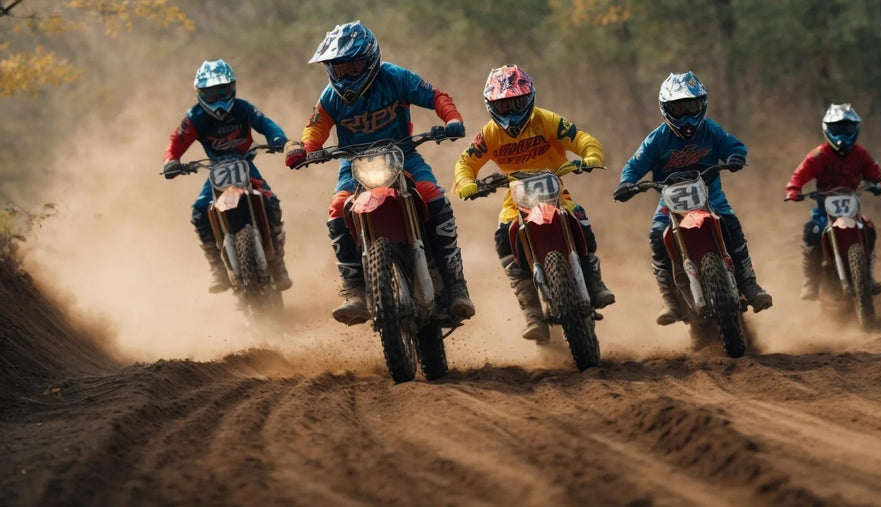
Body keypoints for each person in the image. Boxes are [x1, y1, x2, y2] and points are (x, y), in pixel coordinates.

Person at [284, 21, 474, 326]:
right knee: (337, 209)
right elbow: (315, 127)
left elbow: (436, 96)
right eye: (339, 68)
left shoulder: (395, 77)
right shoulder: (330, 96)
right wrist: (307, 149)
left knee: (433, 196)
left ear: (370, 59)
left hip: (404, 156)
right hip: (353, 164)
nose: (346, 74)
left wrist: (452, 120)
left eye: (352, 66)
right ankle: (354, 290)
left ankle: (456, 285)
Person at [453, 65, 615, 342]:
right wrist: (467, 183)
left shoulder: (546, 120)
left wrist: (590, 157)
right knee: (503, 240)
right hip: (515, 202)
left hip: (556, 194)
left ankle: (595, 281)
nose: (510, 111)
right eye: (503, 105)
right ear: (491, 106)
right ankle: (532, 313)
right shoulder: (489, 134)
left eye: (516, 102)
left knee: (580, 218)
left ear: (528, 98)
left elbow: (581, 139)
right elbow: (465, 161)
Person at [613, 71, 772, 327]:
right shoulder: (657, 139)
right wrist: (627, 183)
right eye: (679, 108)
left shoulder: (711, 129)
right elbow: (634, 165)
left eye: (691, 106)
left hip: (711, 196)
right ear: (666, 109)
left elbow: (734, 145)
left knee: (732, 225)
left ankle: (750, 285)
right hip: (670, 203)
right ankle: (671, 301)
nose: (686, 115)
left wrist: (735, 157)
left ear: (702, 104)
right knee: (657, 236)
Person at [163, 59, 292, 293]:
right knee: (200, 211)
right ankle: (217, 268)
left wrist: (277, 139)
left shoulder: (243, 108)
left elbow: (265, 123)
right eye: (210, 94)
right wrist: (171, 161)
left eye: (222, 91)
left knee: (270, 201)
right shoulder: (195, 116)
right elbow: (177, 140)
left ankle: (278, 264)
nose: (217, 99)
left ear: (232, 88)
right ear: (200, 94)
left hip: (245, 164)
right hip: (217, 170)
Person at [785, 103, 881, 300]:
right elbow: (799, 174)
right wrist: (794, 189)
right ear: (827, 129)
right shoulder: (819, 155)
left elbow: (874, 172)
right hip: (824, 208)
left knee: (869, 227)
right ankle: (810, 281)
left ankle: (869, 276)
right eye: (837, 129)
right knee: (813, 231)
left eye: (847, 128)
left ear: (855, 129)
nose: (843, 134)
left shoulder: (860, 154)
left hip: (851, 207)